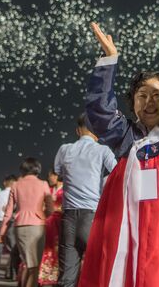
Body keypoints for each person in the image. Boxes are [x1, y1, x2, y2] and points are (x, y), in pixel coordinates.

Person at [78, 18, 159, 287]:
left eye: (156, 95)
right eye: (142, 95)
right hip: (126, 224)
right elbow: (100, 111)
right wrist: (110, 59)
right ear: (132, 102)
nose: (149, 101)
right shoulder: (125, 136)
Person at [54, 114, 117, 287]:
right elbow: (117, 173)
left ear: (77, 130)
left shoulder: (64, 149)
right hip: (91, 218)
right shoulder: (102, 150)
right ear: (97, 132)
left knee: (66, 277)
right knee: (97, 272)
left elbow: (58, 171)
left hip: (68, 218)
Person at [0, 157, 53, 287]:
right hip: (37, 227)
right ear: (37, 169)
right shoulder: (43, 184)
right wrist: (42, 216)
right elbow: (50, 208)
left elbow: (8, 212)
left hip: (20, 227)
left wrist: (2, 233)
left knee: (28, 264)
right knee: (34, 267)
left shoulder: (16, 185)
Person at [39, 171, 64, 286]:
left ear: (57, 176)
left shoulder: (65, 190)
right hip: (48, 222)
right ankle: (45, 274)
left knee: (57, 248)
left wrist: (56, 209)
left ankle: (56, 274)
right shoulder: (49, 189)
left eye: (51, 176)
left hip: (60, 223)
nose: (49, 178)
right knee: (46, 247)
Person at [0, 174, 18, 283]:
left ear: (5, 183)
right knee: (13, 249)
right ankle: (12, 274)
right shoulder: (16, 194)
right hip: (10, 222)